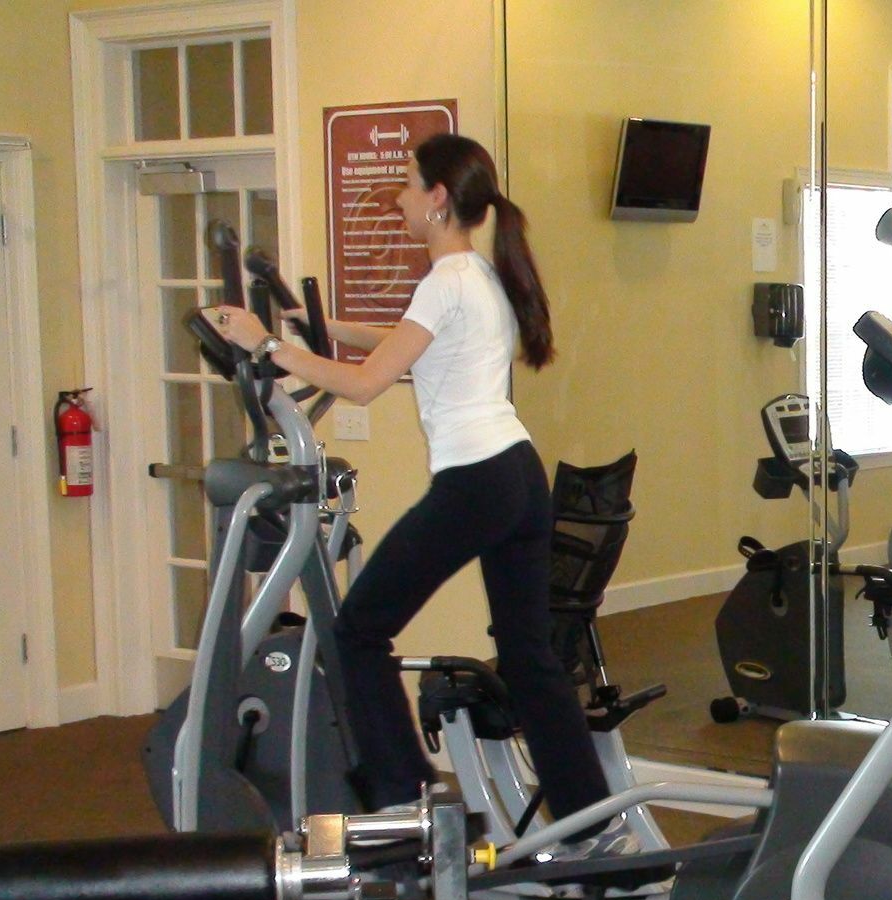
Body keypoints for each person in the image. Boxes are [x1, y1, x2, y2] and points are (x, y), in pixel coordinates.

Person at [201, 132, 626, 857]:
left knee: (357, 632)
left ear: (436, 198)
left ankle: (402, 797)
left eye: (406, 184)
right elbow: (402, 342)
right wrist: (320, 328)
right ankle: (594, 828)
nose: (397, 196)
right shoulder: (478, 277)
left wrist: (263, 345)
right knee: (529, 658)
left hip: (477, 481)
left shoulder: (444, 282)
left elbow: (367, 381)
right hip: (518, 475)